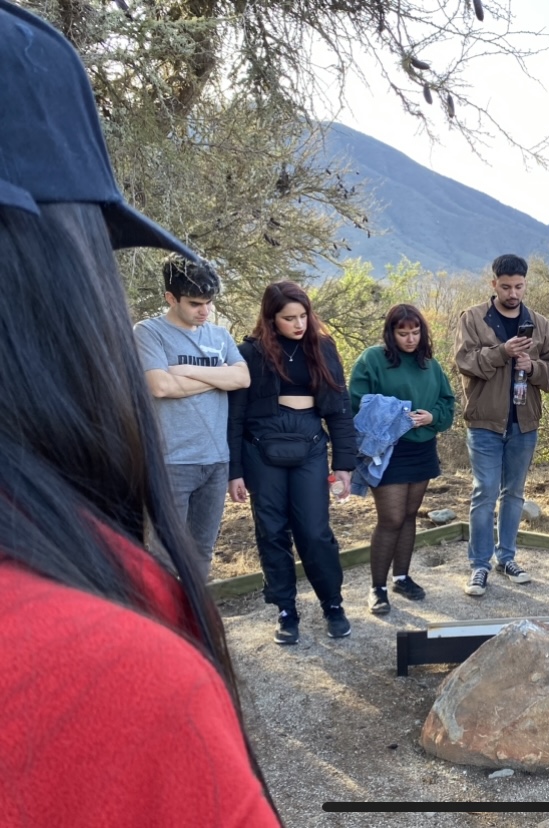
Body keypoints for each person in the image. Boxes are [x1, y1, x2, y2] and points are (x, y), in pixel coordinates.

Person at [0, 2, 280, 822]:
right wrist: (210, 379)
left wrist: (210, 378)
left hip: (208, 463)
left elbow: (238, 380)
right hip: (180, 462)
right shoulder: (105, 676)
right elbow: (170, 386)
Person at [228, 281, 357, 645]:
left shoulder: (323, 347)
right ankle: (285, 609)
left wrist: (344, 464)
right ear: (271, 319)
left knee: (314, 532)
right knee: (271, 531)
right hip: (261, 450)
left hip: (311, 447)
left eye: (303, 316)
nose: (299, 324)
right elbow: (235, 416)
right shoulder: (249, 353)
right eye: (289, 318)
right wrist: (233, 471)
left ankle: (332, 603)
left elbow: (340, 410)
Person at [454, 254, 549, 597]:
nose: (513, 293)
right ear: (493, 284)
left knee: (514, 494)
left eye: (519, 286)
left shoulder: (541, 323)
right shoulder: (472, 318)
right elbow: (464, 362)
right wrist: (501, 352)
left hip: (524, 422)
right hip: (485, 422)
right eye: (506, 287)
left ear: (526, 284)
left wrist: (532, 367)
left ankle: (507, 558)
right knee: (485, 492)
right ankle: (479, 566)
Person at [134, 257, 250, 581]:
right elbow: (160, 385)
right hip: (170, 463)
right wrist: (217, 376)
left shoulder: (220, 336)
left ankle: (193, 622)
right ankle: (161, 626)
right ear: (171, 298)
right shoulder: (148, 332)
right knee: (164, 556)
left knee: (201, 552)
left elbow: (242, 378)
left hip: (215, 461)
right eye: (195, 303)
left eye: (209, 303)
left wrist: (187, 371)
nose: (205, 311)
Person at [349, 304, 456, 615]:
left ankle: (402, 577)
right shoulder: (373, 359)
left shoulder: (430, 365)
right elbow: (356, 401)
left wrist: (431, 416)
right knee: (391, 519)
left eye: (415, 332)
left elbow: (447, 404)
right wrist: (394, 414)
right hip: (387, 451)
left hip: (421, 448)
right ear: (391, 333)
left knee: (410, 516)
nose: (410, 339)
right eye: (402, 333)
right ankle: (377, 588)